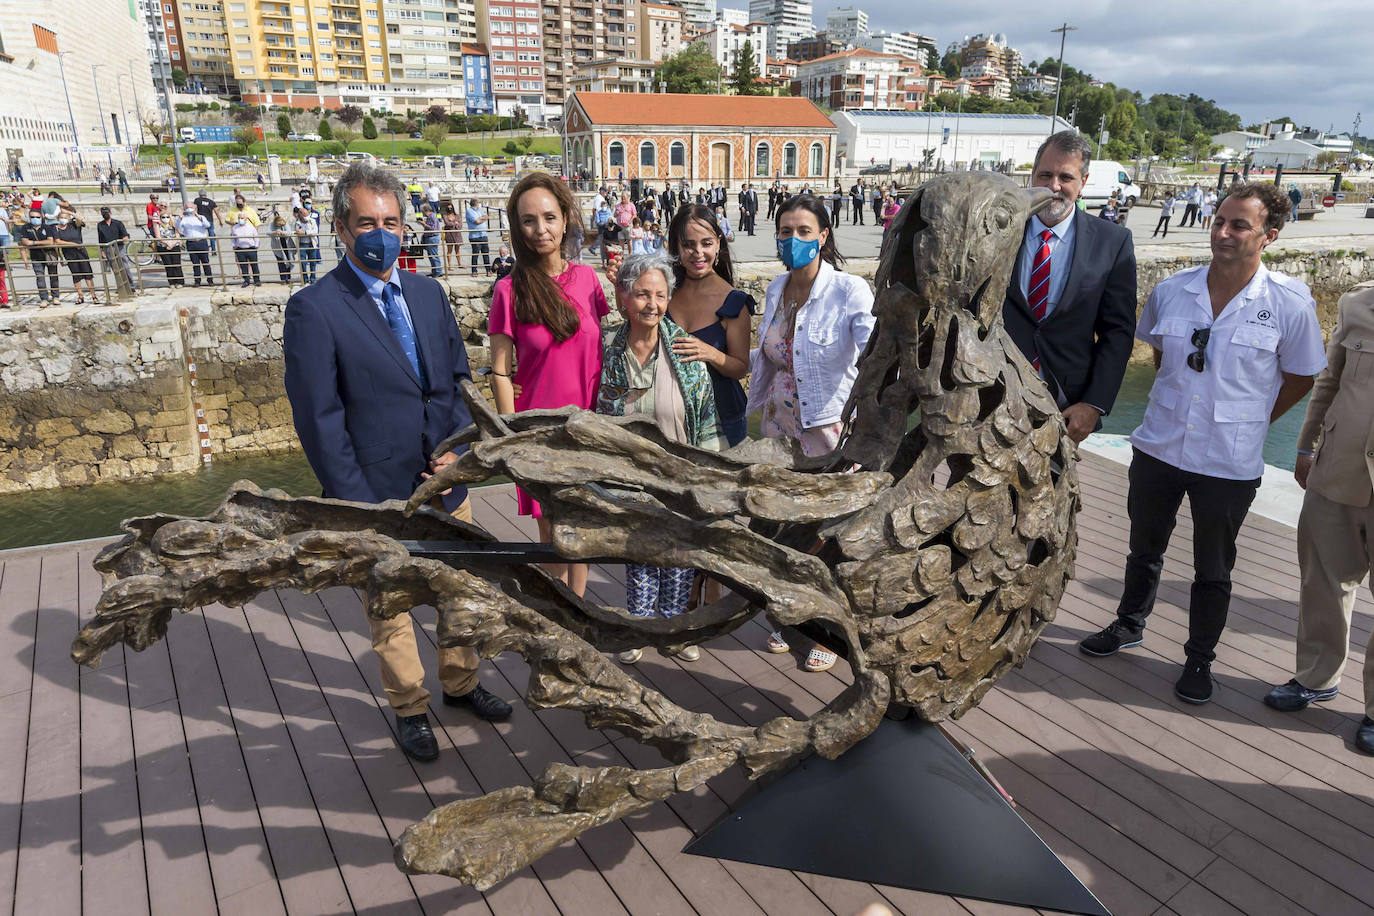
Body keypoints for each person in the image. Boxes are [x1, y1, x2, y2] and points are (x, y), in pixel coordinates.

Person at [284, 162, 511, 762]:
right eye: (366, 223)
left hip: (442, 476)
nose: (380, 233)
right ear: (340, 229)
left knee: (459, 586)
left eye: (390, 221)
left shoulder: (427, 292)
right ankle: (410, 706)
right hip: (374, 488)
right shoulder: (315, 308)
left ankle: (460, 684)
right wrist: (354, 500)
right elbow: (319, 417)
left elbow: (457, 380)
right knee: (392, 601)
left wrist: (457, 453)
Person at [1078, 182, 1327, 704]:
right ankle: (1129, 624)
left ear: (1269, 236)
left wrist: (1258, 417)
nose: (1223, 233)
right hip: (1159, 446)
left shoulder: (1289, 304)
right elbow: (1152, 349)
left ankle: (1198, 659)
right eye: (1219, 220)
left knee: (1213, 568)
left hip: (1228, 460)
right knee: (1144, 548)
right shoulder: (1173, 291)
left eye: (1239, 225)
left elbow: (1303, 375)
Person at [749, 194, 875, 672]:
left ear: (824, 235)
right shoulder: (776, 287)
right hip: (778, 427)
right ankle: (787, 619)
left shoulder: (849, 291)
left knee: (826, 533)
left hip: (826, 432)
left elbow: (872, 353)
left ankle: (827, 627)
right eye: (785, 232)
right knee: (783, 525)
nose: (793, 240)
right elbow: (771, 352)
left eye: (804, 231)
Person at [596, 251, 726, 664]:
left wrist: (708, 478)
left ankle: (674, 631)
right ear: (625, 298)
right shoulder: (608, 351)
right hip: (630, 476)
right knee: (639, 554)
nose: (651, 304)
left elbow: (705, 416)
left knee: (680, 556)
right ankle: (638, 626)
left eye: (659, 295)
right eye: (641, 295)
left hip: (681, 473)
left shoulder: (686, 351)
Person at [1263, 282, 1374, 755]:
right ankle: (1316, 678)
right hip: (1338, 471)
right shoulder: (1357, 304)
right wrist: (1306, 446)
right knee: (1323, 582)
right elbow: (1329, 381)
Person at [487, 172, 609, 599]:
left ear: (565, 219)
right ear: (516, 227)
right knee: (552, 534)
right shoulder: (508, 290)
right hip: (538, 432)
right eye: (529, 221)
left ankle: (578, 610)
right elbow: (501, 370)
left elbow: (605, 347)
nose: (541, 229)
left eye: (549, 218)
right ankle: (562, 612)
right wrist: (509, 434)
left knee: (585, 527)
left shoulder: (590, 281)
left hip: (589, 427)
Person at [1002, 131, 1138, 443]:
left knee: (1049, 490)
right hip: (993, 393)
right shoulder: (999, 230)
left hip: (1064, 407)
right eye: (1045, 175)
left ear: (1083, 181)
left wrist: (1094, 404)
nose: (1053, 186)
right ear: (1032, 175)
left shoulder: (1112, 243)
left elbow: (1117, 332)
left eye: (1066, 177)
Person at [15, 209, 58, 303]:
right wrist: (41, 243)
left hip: (49, 255)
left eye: (37, 217)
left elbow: (50, 241)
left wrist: (33, 243)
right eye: (32, 217)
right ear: (29, 217)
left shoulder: (47, 227)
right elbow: (25, 241)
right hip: (35, 256)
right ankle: (44, 299)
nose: (35, 219)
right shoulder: (25, 227)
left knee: (53, 276)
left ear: (41, 217)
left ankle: (56, 297)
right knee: (40, 277)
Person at [54, 214, 95, 304]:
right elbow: (58, 242)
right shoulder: (56, 228)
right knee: (76, 275)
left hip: (81, 252)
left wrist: (70, 212)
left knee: (88, 274)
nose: (63, 219)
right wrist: (73, 245)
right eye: (61, 217)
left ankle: (93, 295)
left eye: (65, 217)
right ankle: (80, 296)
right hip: (69, 253)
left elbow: (80, 219)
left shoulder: (73, 225)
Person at [96, 206, 134, 295]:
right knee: (115, 268)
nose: (106, 214)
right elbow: (100, 238)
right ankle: (120, 286)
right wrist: (102, 250)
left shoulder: (118, 223)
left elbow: (124, 234)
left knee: (125, 266)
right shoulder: (100, 225)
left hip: (119, 247)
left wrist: (125, 238)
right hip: (108, 248)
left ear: (110, 213)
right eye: (104, 213)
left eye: (107, 213)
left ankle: (131, 285)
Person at [176, 205, 213, 286]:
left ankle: (210, 280)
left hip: (202, 242)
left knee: (205, 262)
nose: (189, 209)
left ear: (195, 209)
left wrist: (198, 216)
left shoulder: (201, 217)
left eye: (191, 208)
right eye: (187, 208)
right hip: (191, 242)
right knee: (195, 263)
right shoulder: (184, 219)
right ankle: (197, 281)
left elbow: (207, 225)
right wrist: (179, 219)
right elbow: (178, 229)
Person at [149, 211, 185, 287]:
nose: (166, 219)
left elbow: (177, 235)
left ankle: (180, 282)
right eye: (163, 217)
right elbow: (158, 236)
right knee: (168, 265)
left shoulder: (174, 224)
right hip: (163, 247)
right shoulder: (157, 225)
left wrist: (172, 243)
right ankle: (171, 282)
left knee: (176, 264)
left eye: (167, 217)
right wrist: (167, 243)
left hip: (174, 246)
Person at [230, 213, 262, 287]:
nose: (240, 220)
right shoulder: (235, 228)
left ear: (246, 219)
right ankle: (246, 281)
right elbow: (233, 238)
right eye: (239, 218)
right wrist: (234, 246)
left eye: (242, 218)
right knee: (243, 266)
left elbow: (256, 237)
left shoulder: (251, 227)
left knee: (254, 265)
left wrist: (256, 246)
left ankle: (257, 280)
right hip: (240, 249)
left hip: (251, 248)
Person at [294, 205, 321, 284]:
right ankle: (305, 278)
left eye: (307, 214)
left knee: (313, 262)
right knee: (302, 262)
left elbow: (315, 231)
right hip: (302, 244)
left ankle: (312, 278)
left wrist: (305, 233)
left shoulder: (312, 221)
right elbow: (294, 231)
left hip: (311, 244)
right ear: (301, 215)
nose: (306, 216)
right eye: (305, 215)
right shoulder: (297, 222)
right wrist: (297, 232)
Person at [465, 198, 490, 275]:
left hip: (483, 234)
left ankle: (488, 270)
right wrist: (482, 219)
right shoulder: (469, 211)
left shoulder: (479, 210)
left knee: (486, 253)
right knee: (475, 254)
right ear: (476, 203)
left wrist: (481, 218)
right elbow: (477, 222)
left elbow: (486, 216)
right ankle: (474, 271)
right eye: (479, 202)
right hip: (475, 236)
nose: (479, 203)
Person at [269, 212, 296, 284]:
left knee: (288, 261)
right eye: (278, 225)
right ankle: (283, 279)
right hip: (277, 246)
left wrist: (282, 232)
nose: (280, 226)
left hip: (286, 245)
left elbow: (289, 232)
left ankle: (288, 278)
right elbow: (268, 232)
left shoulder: (285, 223)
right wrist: (274, 232)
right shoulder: (271, 224)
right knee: (281, 262)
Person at [418, 202, 443, 277]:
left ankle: (438, 271)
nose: (422, 213)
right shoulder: (430, 217)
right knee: (431, 256)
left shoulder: (432, 216)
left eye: (422, 211)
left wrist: (424, 224)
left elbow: (433, 229)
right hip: (430, 238)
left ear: (426, 211)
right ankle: (435, 271)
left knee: (434, 255)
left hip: (432, 238)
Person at [441, 202, 464, 274]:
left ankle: (460, 264)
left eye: (451, 208)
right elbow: (447, 223)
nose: (450, 209)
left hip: (457, 234)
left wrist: (453, 223)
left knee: (457, 250)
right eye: (449, 208)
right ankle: (449, 265)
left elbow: (460, 225)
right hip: (449, 235)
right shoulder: (445, 216)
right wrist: (455, 223)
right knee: (449, 250)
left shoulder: (457, 216)